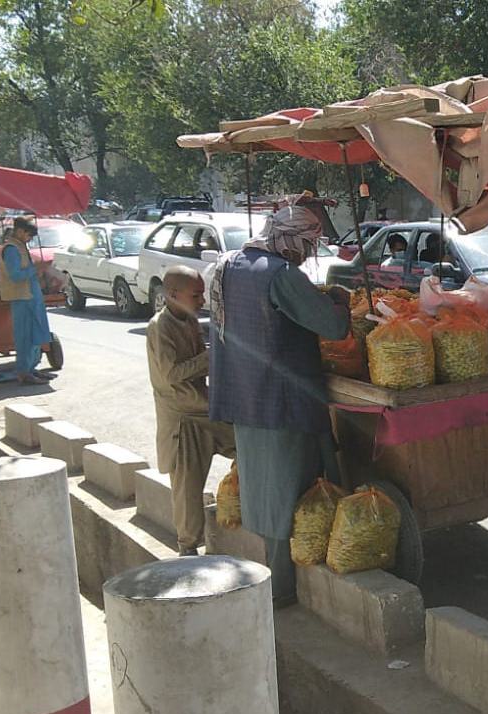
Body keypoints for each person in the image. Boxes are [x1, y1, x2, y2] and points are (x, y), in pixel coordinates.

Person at [208, 201, 350, 605]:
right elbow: (333, 326)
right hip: (281, 403)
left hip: (245, 397)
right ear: (290, 239)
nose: (308, 253)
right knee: (288, 494)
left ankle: (271, 575)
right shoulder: (281, 274)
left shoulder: (228, 264)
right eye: (308, 244)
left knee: (262, 489)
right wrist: (338, 299)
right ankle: (282, 587)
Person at [148, 266, 236, 556]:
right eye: (196, 296)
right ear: (173, 295)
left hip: (204, 409)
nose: (202, 301)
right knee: (187, 492)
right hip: (182, 420)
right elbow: (172, 373)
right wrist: (211, 356)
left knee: (247, 445)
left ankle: (239, 506)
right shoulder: (159, 326)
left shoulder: (190, 320)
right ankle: (187, 551)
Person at [0, 216, 55, 385]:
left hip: (32, 296)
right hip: (22, 298)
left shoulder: (21, 247)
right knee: (25, 337)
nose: (29, 239)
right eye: (29, 235)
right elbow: (16, 275)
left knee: (36, 334)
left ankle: (32, 368)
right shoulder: (11, 249)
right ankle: (24, 372)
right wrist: (35, 269)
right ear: (20, 231)